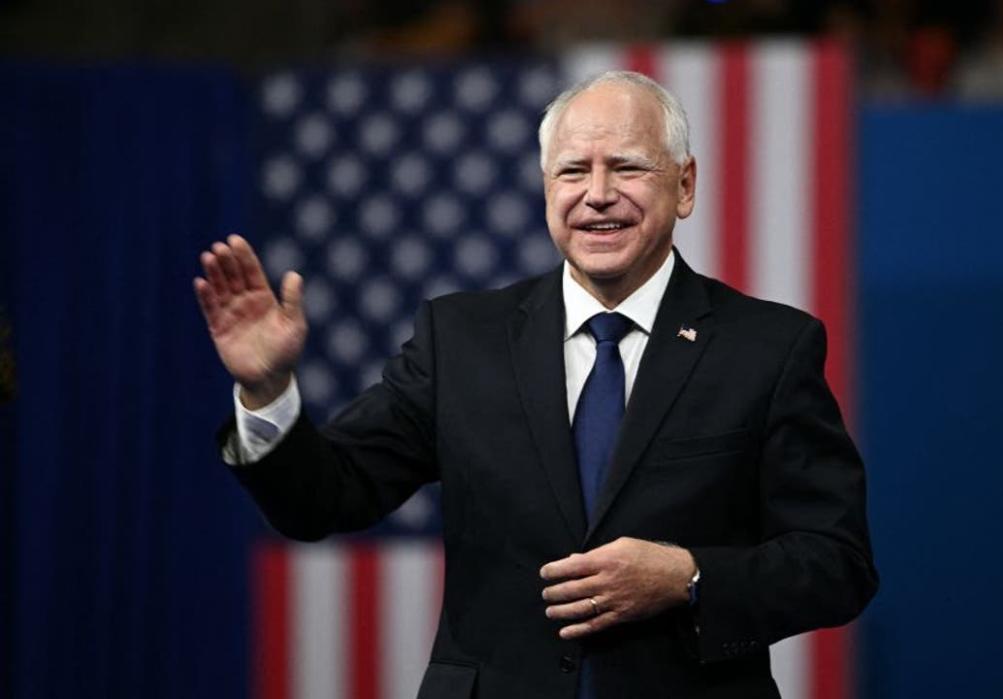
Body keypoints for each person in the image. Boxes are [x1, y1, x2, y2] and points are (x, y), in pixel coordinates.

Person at [194, 71, 877, 699]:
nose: (598, 193)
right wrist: (267, 390)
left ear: (686, 184)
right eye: (573, 170)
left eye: (628, 167)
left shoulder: (767, 347)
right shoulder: (459, 339)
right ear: (547, 188)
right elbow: (323, 499)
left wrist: (689, 576)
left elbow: (836, 562)